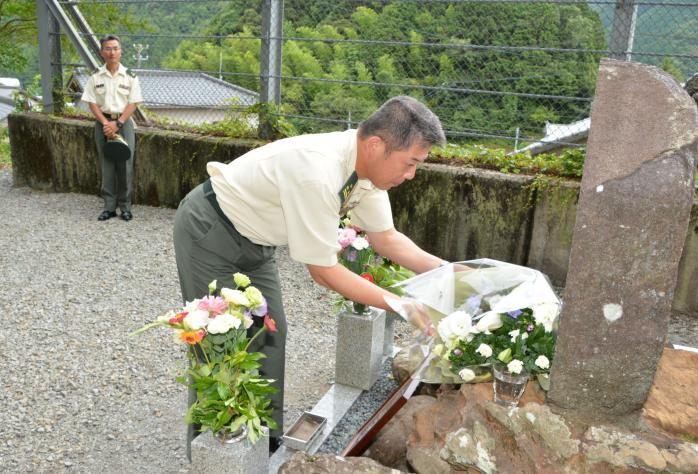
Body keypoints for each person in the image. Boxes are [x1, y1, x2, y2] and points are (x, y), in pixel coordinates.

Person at [173, 95, 448, 458]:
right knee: (219, 345)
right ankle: (217, 454)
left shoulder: (366, 172)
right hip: (210, 230)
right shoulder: (319, 172)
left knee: (269, 332)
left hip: (257, 244)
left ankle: (263, 440)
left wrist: (452, 273)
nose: (411, 175)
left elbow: (387, 239)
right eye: (410, 163)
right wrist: (402, 304)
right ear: (377, 145)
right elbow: (324, 271)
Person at [81, 35, 142, 221]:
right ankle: (109, 207)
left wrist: (119, 123)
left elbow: (134, 103)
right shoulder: (95, 77)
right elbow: (91, 102)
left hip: (123, 124)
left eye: (115, 48)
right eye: (108, 48)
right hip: (103, 125)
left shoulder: (130, 77)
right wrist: (106, 123)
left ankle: (125, 207)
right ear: (102, 52)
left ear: (121, 51)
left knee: (125, 165)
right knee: (106, 165)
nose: (112, 52)